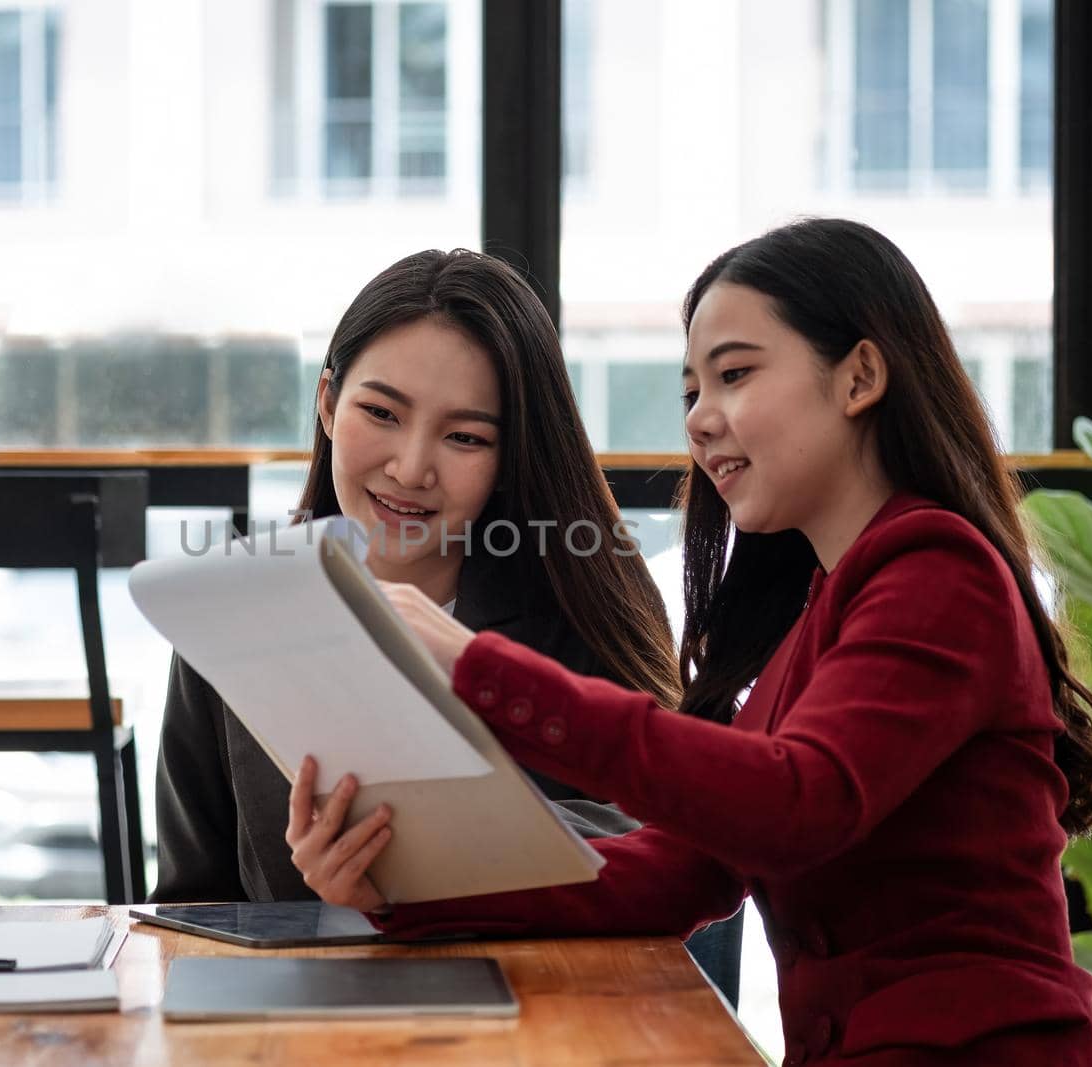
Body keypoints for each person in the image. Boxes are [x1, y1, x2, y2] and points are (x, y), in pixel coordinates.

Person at [286, 220, 1092, 1066]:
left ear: (860, 376)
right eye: (691, 392)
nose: (701, 420)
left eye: (734, 375)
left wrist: (475, 669)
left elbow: (797, 803)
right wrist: (399, 893)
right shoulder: (818, 620)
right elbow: (671, 871)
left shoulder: (939, 568)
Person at [148, 247, 745, 993]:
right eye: (381, 413)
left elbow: (674, 847)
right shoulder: (233, 611)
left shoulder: (585, 606)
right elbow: (191, 905)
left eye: (465, 436)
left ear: (510, 452)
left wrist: (425, 873)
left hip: (544, 1012)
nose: (410, 467)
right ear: (328, 402)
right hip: (301, 1020)